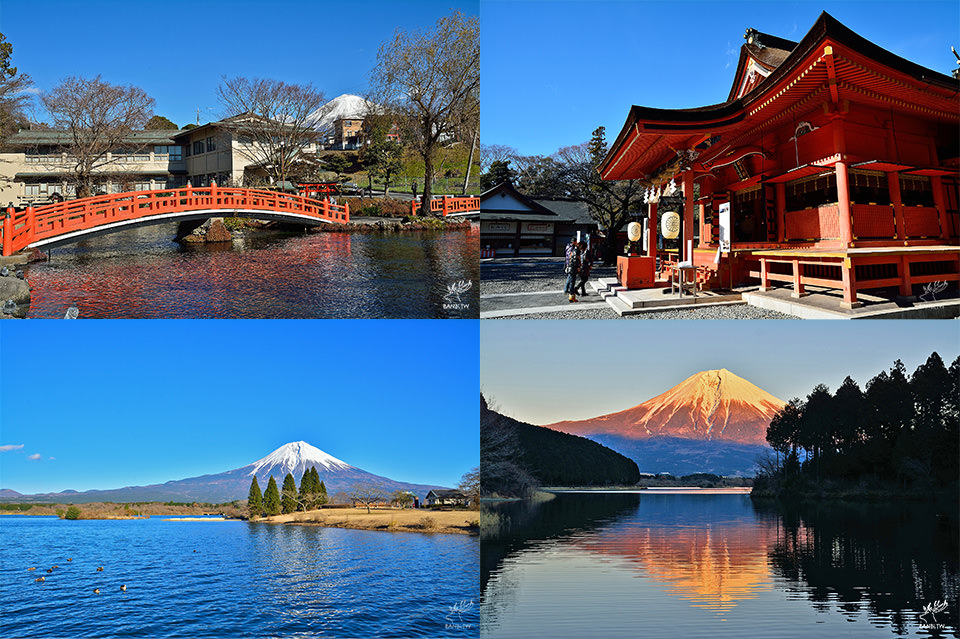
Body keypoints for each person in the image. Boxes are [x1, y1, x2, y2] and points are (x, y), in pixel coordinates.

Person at [564, 238, 581, 302]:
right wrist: (578, 267)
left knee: (571, 281)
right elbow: (575, 260)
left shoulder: (569, 248)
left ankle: (570, 295)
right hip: (572, 268)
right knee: (572, 282)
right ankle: (571, 296)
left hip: (570, 266)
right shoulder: (575, 251)